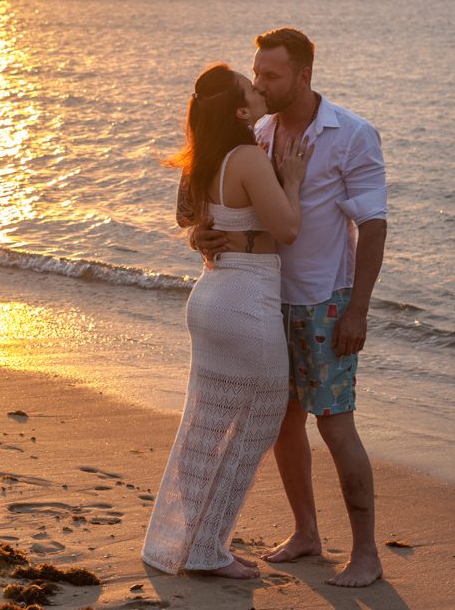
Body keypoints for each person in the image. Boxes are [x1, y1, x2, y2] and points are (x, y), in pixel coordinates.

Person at [190, 28, 388, 588]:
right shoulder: (258, 130)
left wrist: (358, 312)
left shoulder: (351, 134)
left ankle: (367, 553)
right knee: (283, 423)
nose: (260, 84)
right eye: (257, 75)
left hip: (326, 301)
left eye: (272, 75)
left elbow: (373, 226)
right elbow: (233, 202)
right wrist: (206, 236)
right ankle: (306, 533)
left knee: (337, 426)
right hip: (262, 299)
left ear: (304, 75)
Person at [142, 63, 312, 579]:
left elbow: (183, 215)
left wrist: (200, 234)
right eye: (250, 86)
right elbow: (287, 228)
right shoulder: (247, 157)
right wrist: (294, 180)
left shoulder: (204, 158)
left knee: (204, 429)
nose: (259, 89)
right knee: (253, 430)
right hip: (246, 302)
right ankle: (207, 550)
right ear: (241, 111)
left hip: (209, 298)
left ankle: (178, 541)